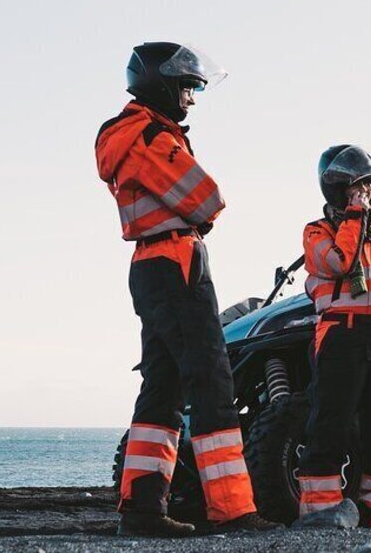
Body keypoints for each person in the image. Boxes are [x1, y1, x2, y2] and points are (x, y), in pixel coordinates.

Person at [95, 42, 275, 536]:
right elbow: (207, 199)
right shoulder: (150, 137)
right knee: (212, 382)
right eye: (187, 87)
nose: (192, 98)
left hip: (152, 264)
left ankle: (143, 510)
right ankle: (232, 510)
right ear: (161, 85)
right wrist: (197, 211)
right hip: (176, 262)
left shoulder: (131, 136)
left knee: (163, 387)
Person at [297, 145, 371, 529]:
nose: (368, 192)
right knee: (331, 425)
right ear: (338, 189)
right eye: (359, 185)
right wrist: (355, 216)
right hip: (340, 336)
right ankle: (320, 511)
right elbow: (341, 262)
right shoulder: (318, 232)